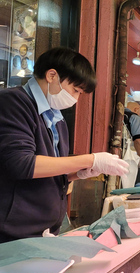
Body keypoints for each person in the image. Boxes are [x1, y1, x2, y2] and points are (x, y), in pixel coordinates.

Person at [0, 47, 129, 243]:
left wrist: (80, 172)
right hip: (12, 232)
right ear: (52, 75)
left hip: (44, 230)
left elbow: (51, 170)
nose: (76, 99)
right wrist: (89, 158)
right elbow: (21, 164)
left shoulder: (57, 119)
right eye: (75, 90)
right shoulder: (13, 102)